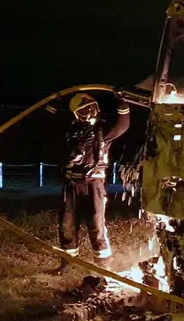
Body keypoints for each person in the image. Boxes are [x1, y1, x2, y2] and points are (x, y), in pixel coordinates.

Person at [55, 92, 130, 274]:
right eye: (83, 111)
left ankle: (103, 267)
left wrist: (122, 104)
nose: (89, 113)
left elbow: (122, 126)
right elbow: (49, 127)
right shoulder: (71, 132)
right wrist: (54, 105)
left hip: (94, 184)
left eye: (91, 108)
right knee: (67, 224)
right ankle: (67, 263)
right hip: (72, 184)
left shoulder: (103, 131)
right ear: (76, 115)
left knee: (96, 223)